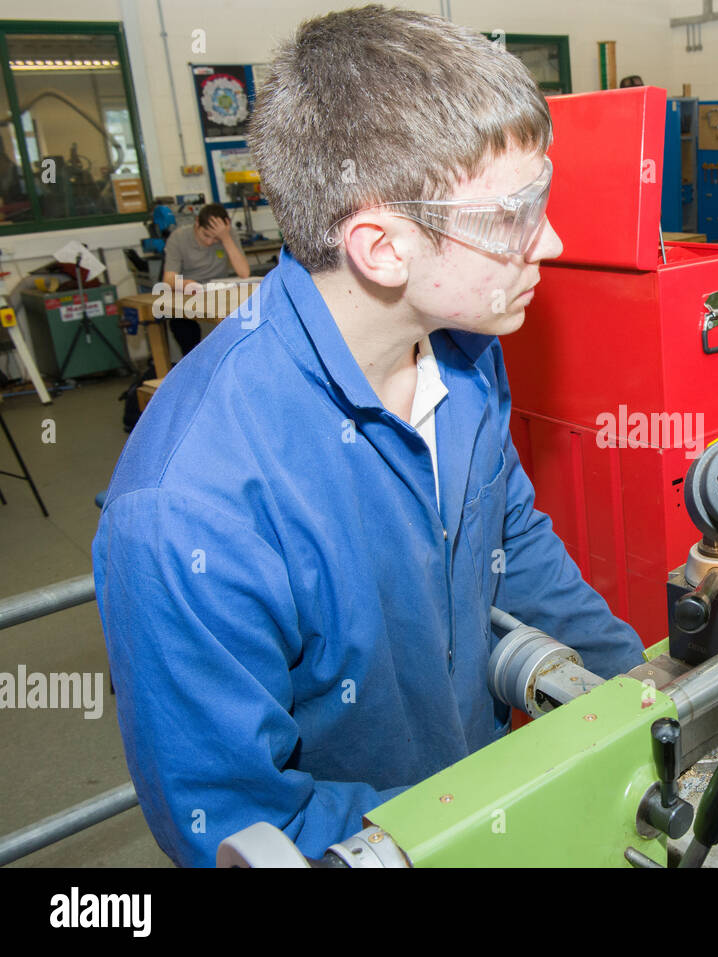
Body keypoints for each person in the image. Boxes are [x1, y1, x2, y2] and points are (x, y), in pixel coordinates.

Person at [92, 5, 645, 867]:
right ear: (380, 247)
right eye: (515, 213)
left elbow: (515, 545)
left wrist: (646, 698)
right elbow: (238, 824)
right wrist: (501, 826)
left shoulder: (463, 353)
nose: (556, 239)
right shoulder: (188, 509)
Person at [160, 203, 251, 355]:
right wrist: (184, 284)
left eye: (215, 238)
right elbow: (168, 279)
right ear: (197, 223)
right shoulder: (178, 238)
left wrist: (226, 238)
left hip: (219, 295)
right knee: (182, 327)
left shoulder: (227, 234)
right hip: (190, 296)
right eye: (206, 235)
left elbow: (244, 273)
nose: (210, 242)